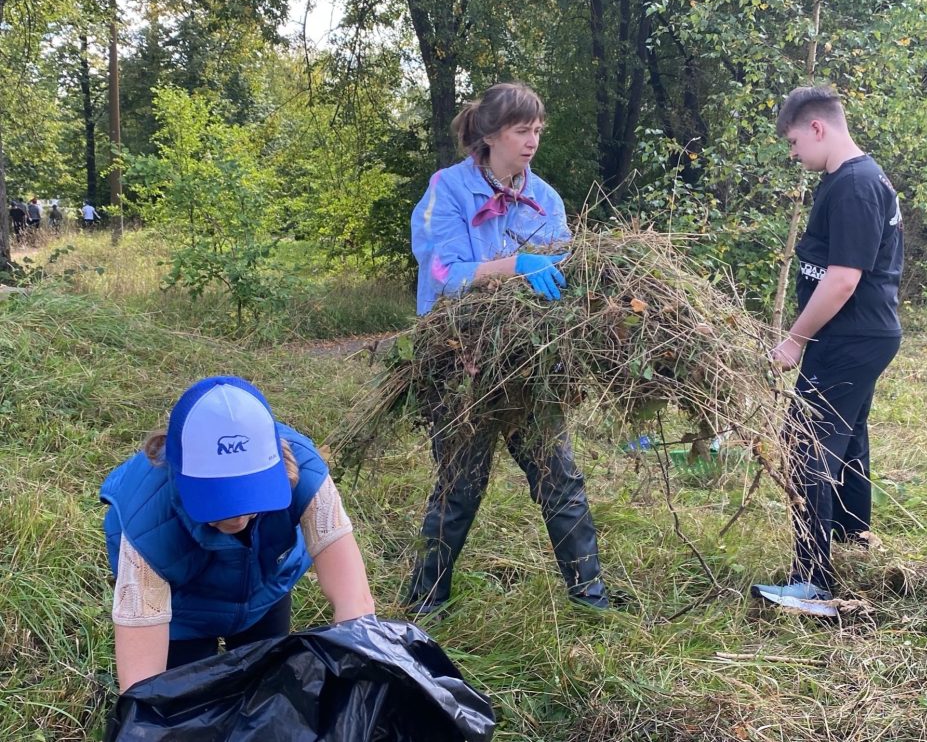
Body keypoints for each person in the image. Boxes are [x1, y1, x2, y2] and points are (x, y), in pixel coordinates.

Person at [406, 82, 609, 615]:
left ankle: (591, 597)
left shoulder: (546, 200)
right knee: (460, 485)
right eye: (523, 130)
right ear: (491, 134)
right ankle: (427, 601)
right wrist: (514, 265)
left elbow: (564, 272)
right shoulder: (447, 190)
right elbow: (443, 273)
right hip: (459, 363)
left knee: (558, 475)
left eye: (538, 130)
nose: (533, 140)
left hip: (526, 363)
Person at [100, 375, 376, 692]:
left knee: (267, 690)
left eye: (250, 495)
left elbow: (355, 602)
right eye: (219, 498)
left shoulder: (305, 470)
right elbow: (141, 687)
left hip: (263, 590)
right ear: (180, 474)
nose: (238, 516)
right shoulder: (147, 519)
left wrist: (360, 685)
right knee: (183, 702)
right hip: (183, 610)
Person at [752, 85, 903, 617]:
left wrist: (795, 339)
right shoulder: (850, 179)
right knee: (847, 439)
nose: (794, 155)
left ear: (817, 128)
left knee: (806, 446)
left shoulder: (856, 185)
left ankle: (812, 583)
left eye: (794, 143)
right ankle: (853, 538)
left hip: (850, 335)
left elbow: (841, 280)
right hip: (861, 334)